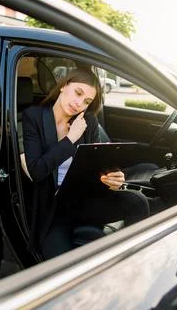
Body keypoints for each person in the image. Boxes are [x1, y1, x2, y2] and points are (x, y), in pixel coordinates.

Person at [22, 68, 150, 259]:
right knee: (59, 263)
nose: (79, 104)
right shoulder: (33, 117)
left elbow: (99, 161)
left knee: (137, 202)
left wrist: (112, 176)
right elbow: (37, 171)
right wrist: (70, 139)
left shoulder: (88, 121)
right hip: (53, 209)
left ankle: (131, 259)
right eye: (78, 93)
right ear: (64, 86)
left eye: (86, 101)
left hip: (83, 199)